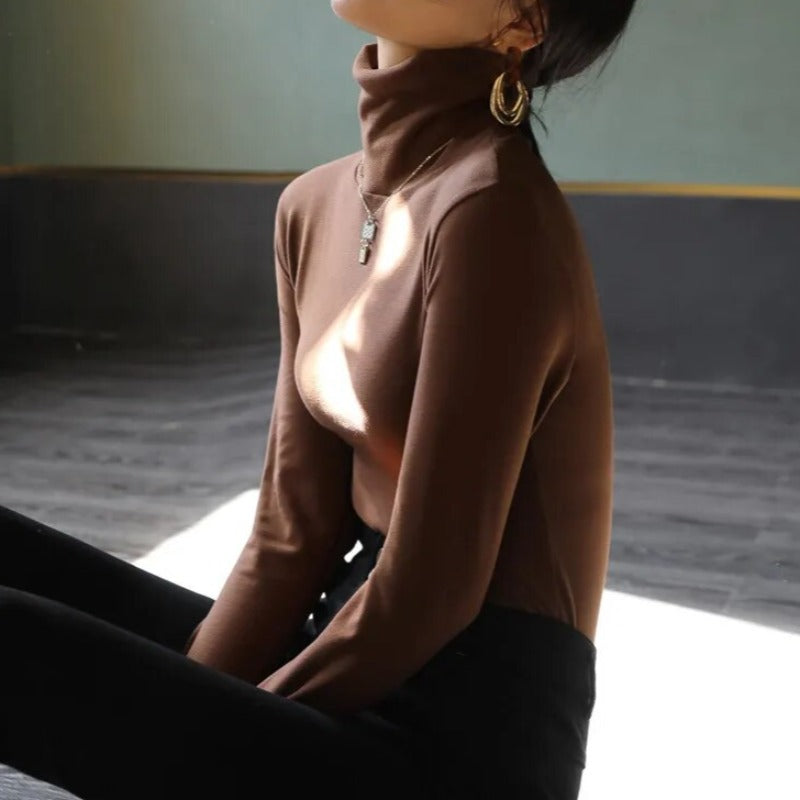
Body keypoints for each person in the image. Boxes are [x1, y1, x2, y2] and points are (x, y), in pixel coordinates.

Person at [0, 1, 638, 798]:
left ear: (521, 26)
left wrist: (204, 729)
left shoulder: (495, 211)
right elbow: (290, 535)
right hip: (342, 642)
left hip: (457, 738)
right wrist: (189, 709)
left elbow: (429, 595)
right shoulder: (314, 203)